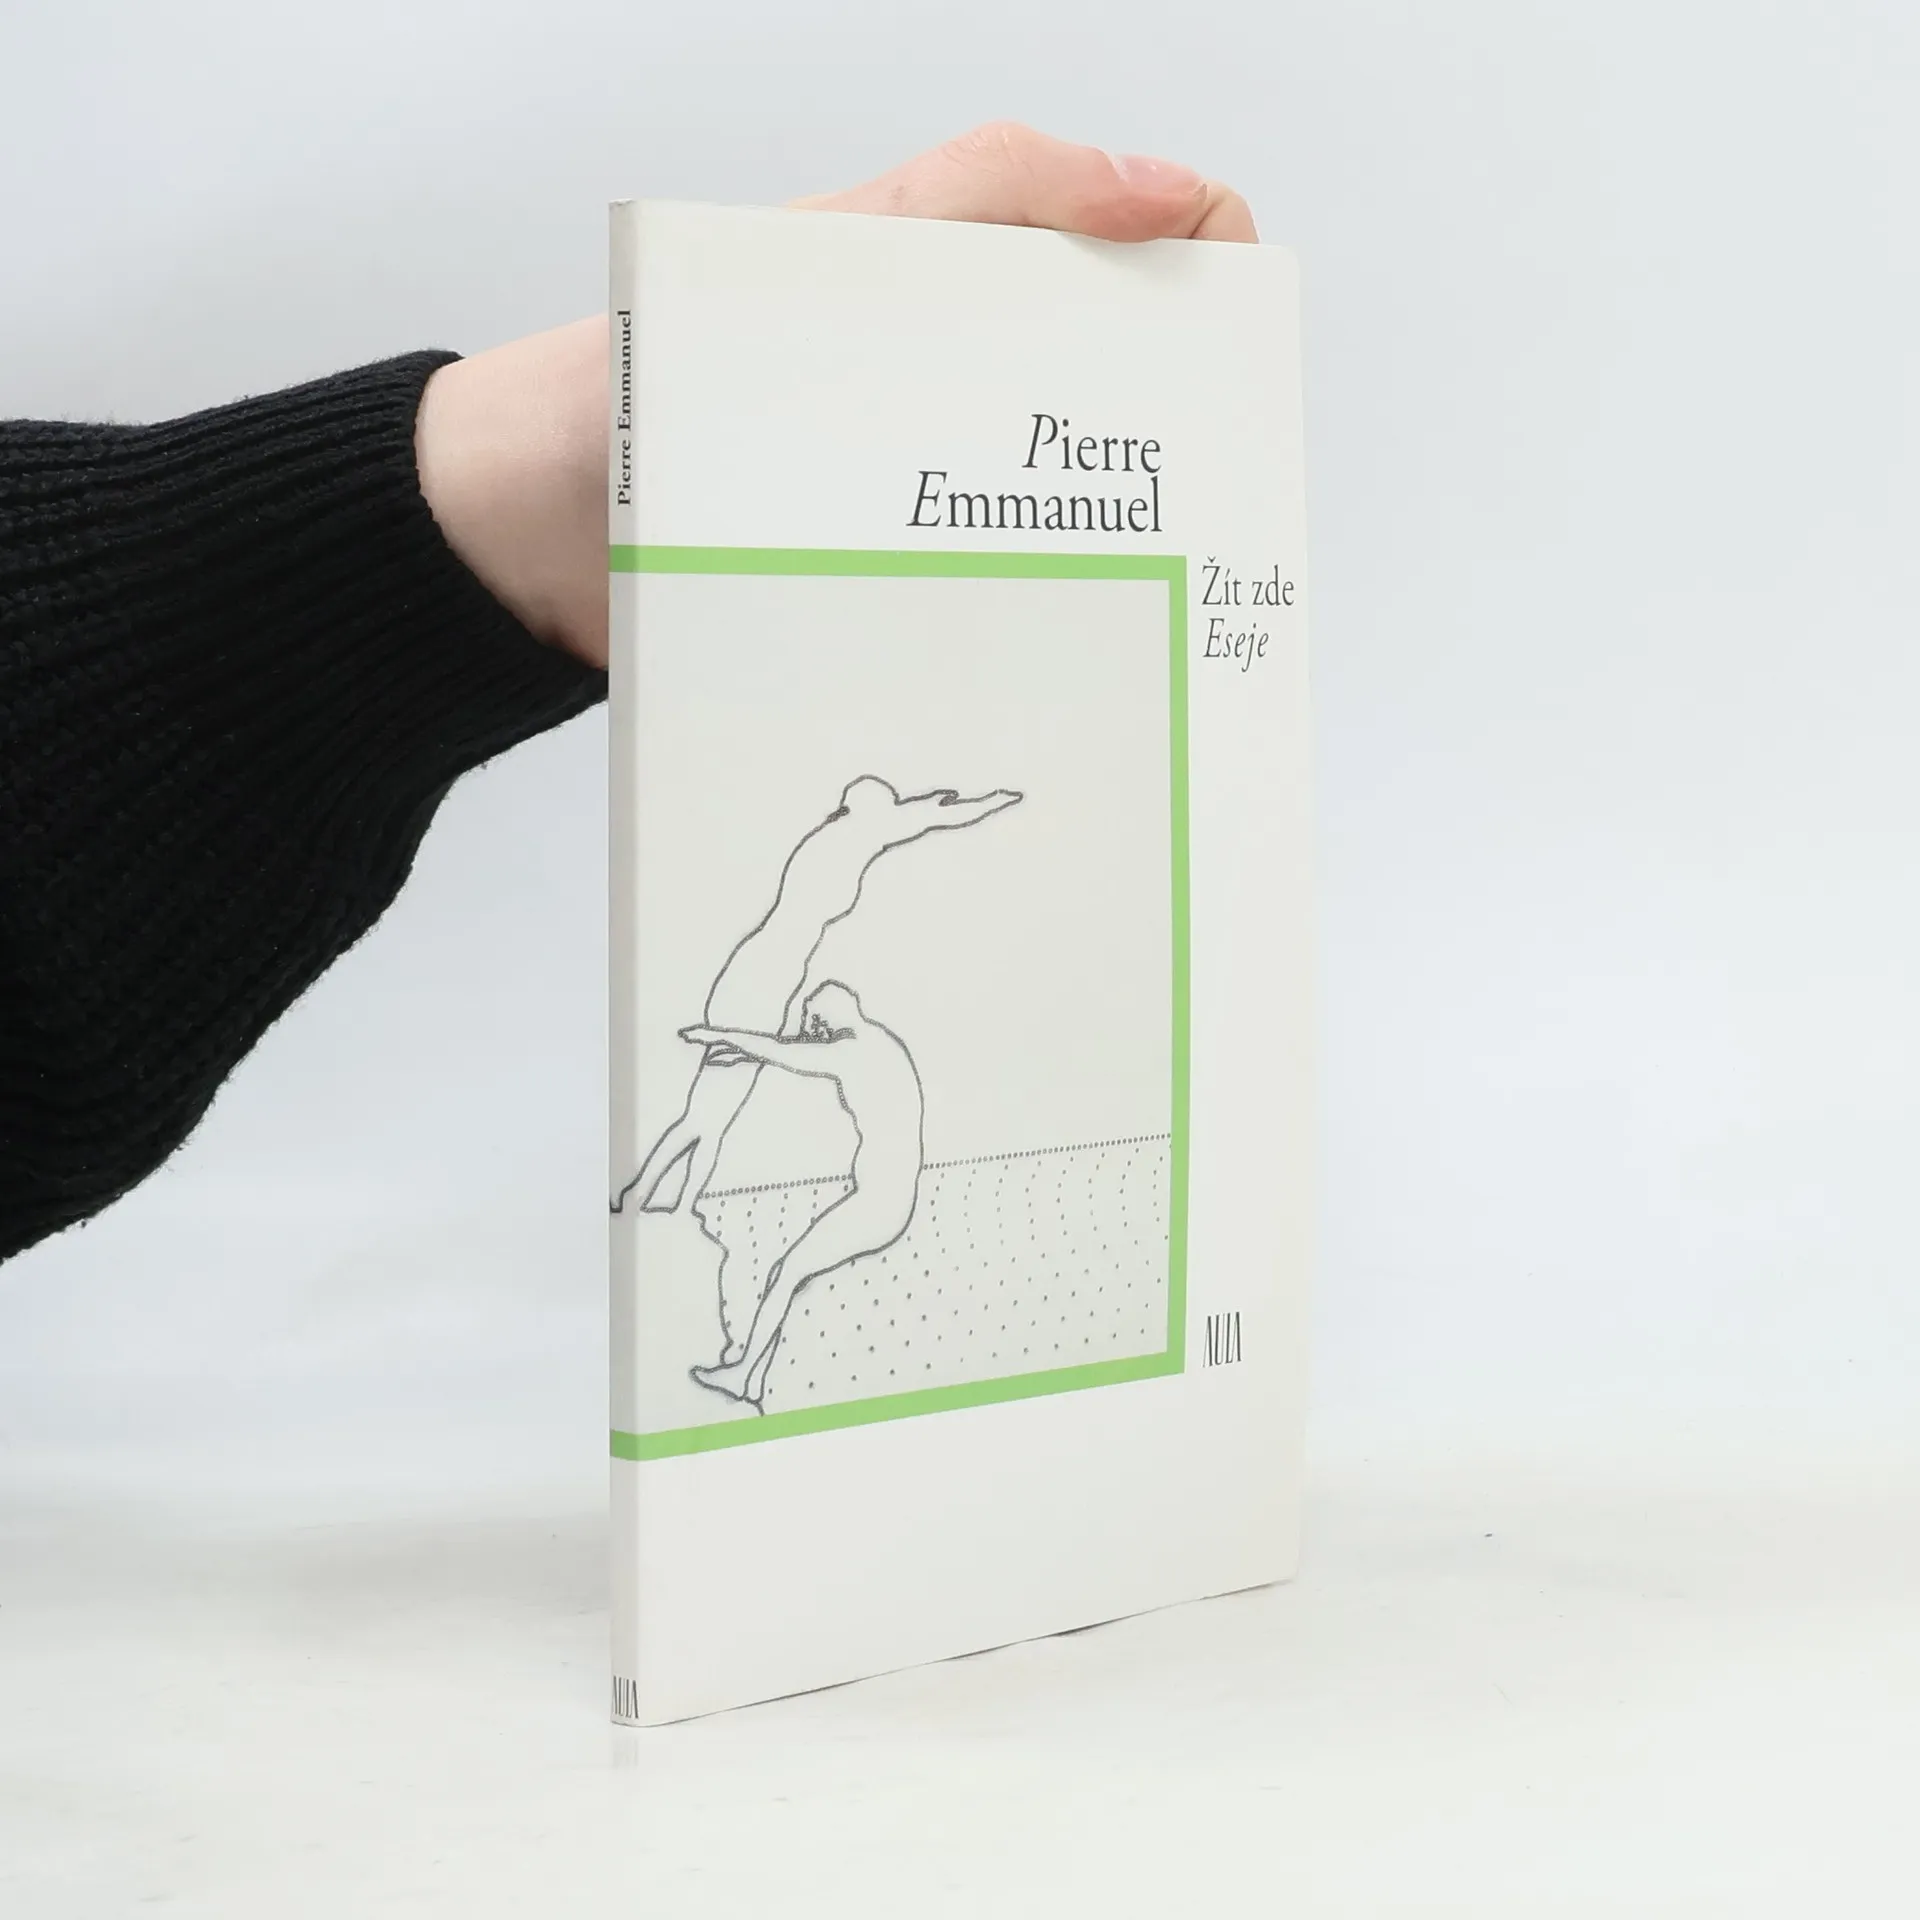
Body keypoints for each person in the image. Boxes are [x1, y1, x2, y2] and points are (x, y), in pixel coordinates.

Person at [0, 124, 1256, 1265]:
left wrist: (517, 495)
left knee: (713, 1122)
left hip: (740, 984)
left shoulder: (841, 872)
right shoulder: (853, 890)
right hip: (740, 987)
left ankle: (683, 1208)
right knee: (716, 1124)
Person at [616, 776, 1020, 1219]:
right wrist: (993, 801)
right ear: (870, 808)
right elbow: (925, 818)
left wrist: (945, 803)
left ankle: (659, 1199)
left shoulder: (839, 834)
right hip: (760, 983)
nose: (895, 809)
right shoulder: (858, 835)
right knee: (709, 1116)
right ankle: (661, 1202)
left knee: (710, 1115)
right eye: (889, 803)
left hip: (764, 979)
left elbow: (919, 813)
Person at [680, 982, 924, 1409]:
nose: (812, 1031)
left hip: (878, 1206)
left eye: (814, 1022)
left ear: (827, 1018)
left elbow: (789, 1053)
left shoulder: (852, 1054)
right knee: (789, 1273)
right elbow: (796, 1053)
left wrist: (716, 1035)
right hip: (889, 1199)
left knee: (788, 1272)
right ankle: (753, 1380)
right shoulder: (881, 1044)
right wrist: (746, 1053)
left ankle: (742, 1377)